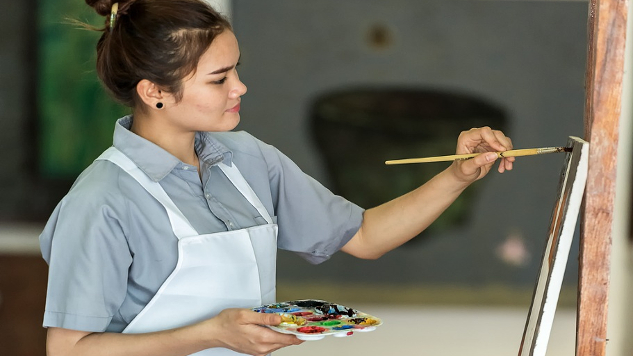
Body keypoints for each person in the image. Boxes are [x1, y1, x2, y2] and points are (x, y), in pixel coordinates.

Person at [39, 0, 515, 355]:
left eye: (236, 70)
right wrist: (210, 332)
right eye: (219, 78)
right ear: (155, 91)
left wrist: (457, 176)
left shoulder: (248, 160)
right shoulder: (102, 200)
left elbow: (366, 236)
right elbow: (68, 350)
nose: (239, 87)